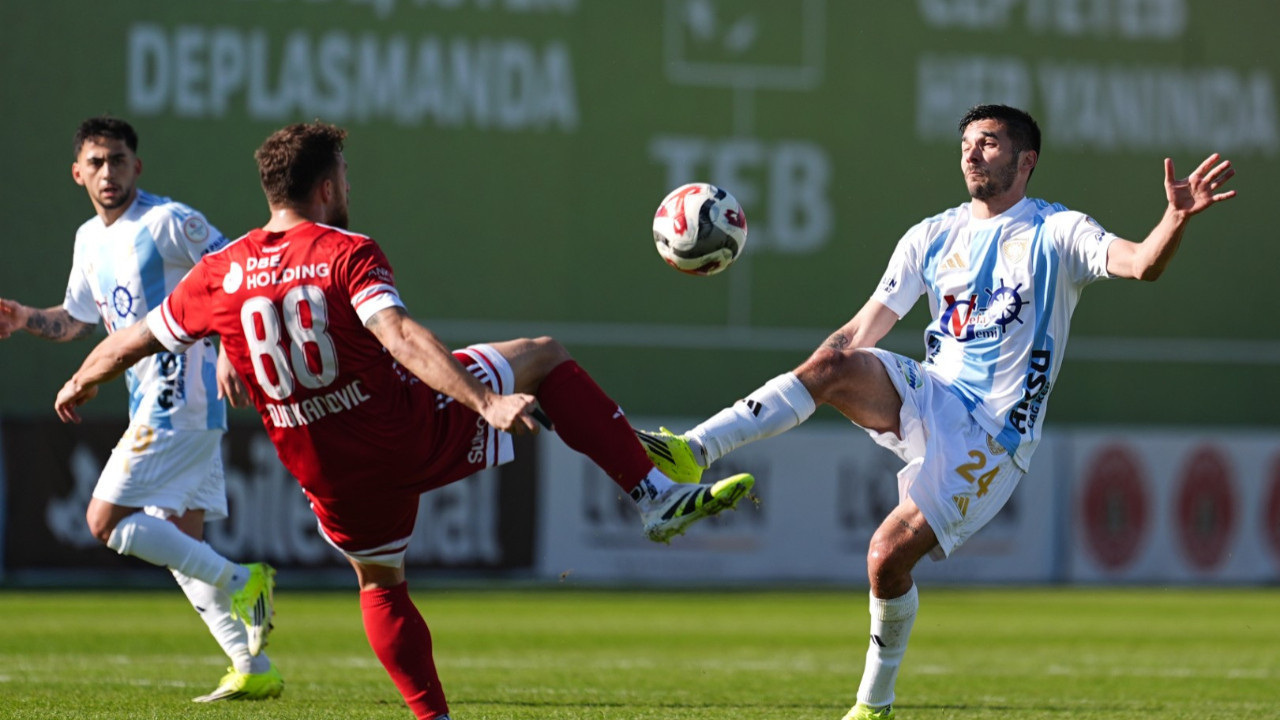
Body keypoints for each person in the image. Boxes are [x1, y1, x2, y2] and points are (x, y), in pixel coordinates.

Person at [54, 120, 754, 720]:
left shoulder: (220, 274)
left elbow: (132, 338)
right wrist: (486, 401)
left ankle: (433, 715)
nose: (349, 188)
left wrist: (82, 378)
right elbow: (399, 337)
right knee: (542, 357)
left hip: (330, 472)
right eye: (345, 177)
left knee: (381, 583)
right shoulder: (344, 252)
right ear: (325, 187)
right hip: (409, 425)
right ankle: (655, 497)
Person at [635, 104, 1237, 719]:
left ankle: (874, 705)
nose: (973, 154)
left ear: (1026, 161)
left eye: (991, 144)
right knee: (836, 363)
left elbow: (1141, 264)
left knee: (885, 558)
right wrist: (820, 376)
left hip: (992, 437)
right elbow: (860, 330)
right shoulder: (931, 235)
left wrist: (1174, 219)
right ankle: (693, 451)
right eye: (968, 144)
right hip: (930, 392)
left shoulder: (1059, 232)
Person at [0, 116, 280, 703]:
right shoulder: (88, 240)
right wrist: (27, 318)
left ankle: (242, 579)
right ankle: (252, 667)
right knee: (181, 545)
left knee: (104, 521)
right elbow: (79, 320)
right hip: (154, 399)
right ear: (77, 172)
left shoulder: (168, 222)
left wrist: (232, 348)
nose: (109, 172)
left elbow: (242, 274)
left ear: (137, 166)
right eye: (97, 163)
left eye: (119, 160)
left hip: (182, 393)